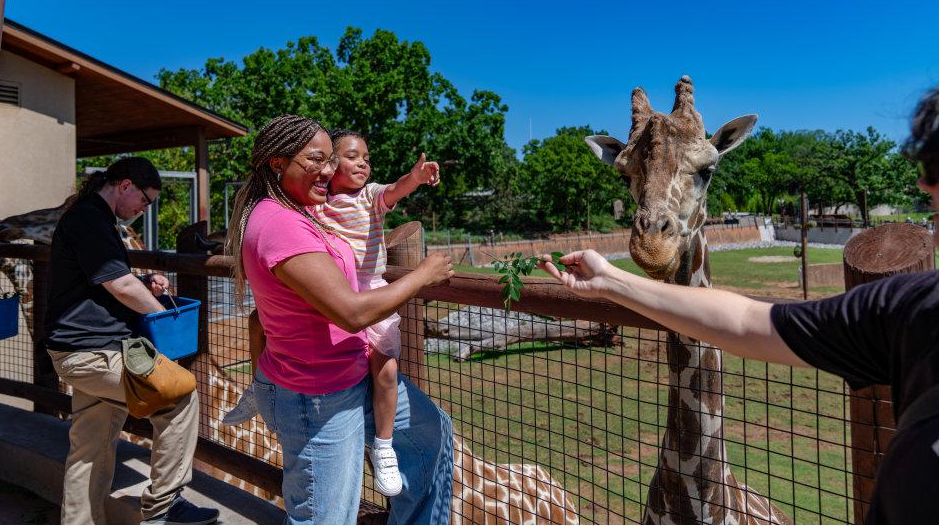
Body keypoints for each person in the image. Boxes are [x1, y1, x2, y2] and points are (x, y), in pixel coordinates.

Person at [537, 85, 939, 524]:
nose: (923, 183)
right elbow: (747, 321)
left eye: (934, 168)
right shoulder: (909, 310)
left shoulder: (909, 307)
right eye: (927, 166)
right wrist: (611, 281)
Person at [223, 115, 455, 524]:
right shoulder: (282, 224)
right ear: (278, 163)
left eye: (331, 160)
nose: (329, 170)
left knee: (432, 431)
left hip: (341, 375)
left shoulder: (293, 211)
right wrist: (423, 275)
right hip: (319, 396)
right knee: (325, 517)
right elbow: (351, 312)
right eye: (318, 159)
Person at [44, 157, 217, 526]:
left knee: (90, 449)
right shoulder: (89, 218)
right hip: (94, 352)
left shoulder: (93, 218)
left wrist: (144, 282)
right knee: (180, 396)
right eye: (145, 200)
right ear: (125, 186)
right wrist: (162, 316)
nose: (144, 209)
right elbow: (119, 286)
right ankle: (163, 507)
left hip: (85, 350)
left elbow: (105, 281)